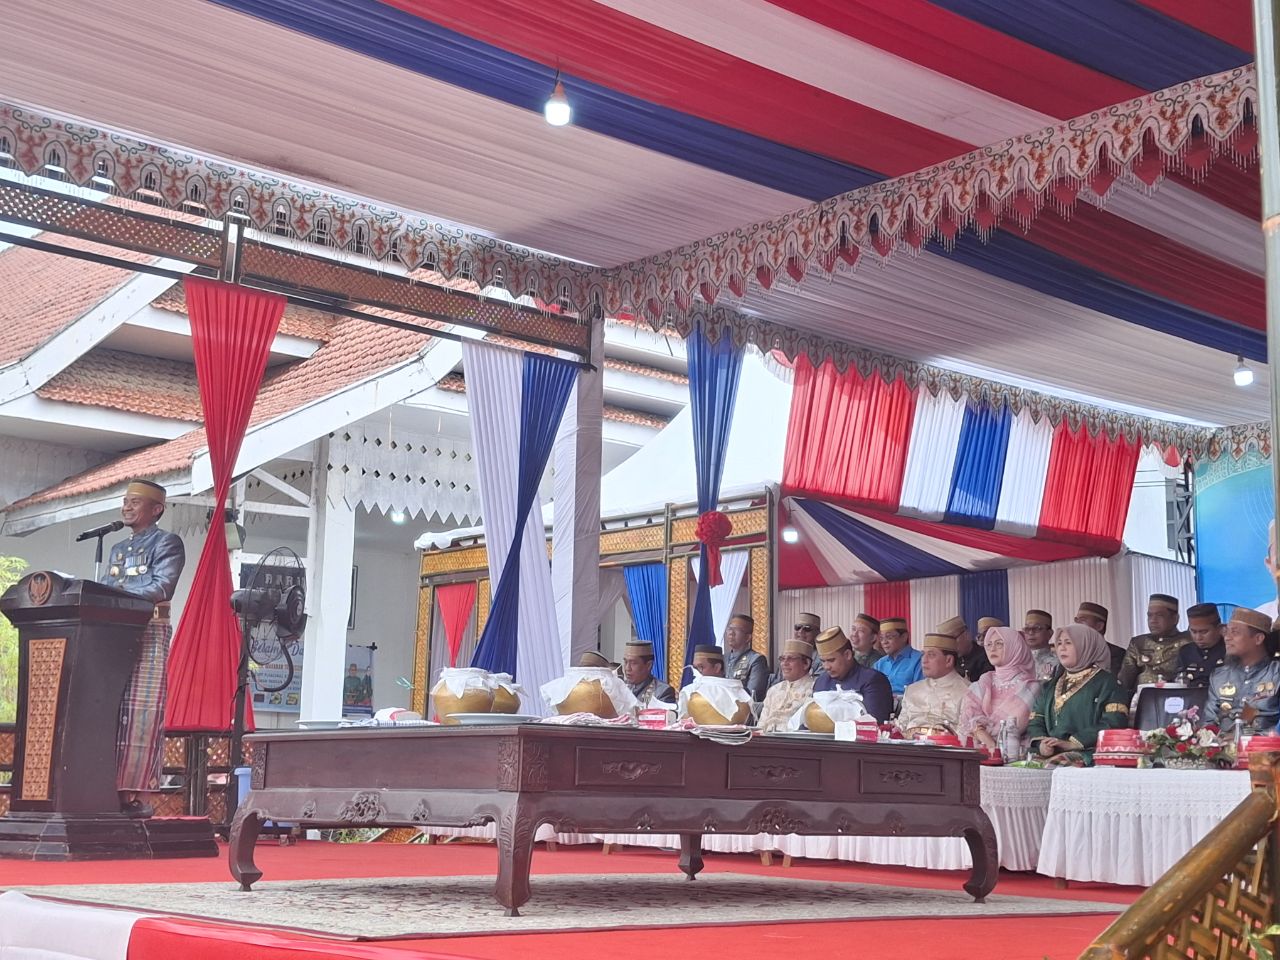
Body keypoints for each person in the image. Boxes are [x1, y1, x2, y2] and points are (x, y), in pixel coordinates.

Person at [98, 479, 186, 819]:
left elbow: (162, 586)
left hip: (149, 629)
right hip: (113, 631)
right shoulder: (117, 547)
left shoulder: (167, 542)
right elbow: (107, 585)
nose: (126, 507)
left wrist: (117, 595)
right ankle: (103, 788)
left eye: (134, 502)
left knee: (141, 711)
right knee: (109, 708)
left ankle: (134, 794)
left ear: (156, 509)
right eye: (125, 501)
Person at [1026, 623, 1129, 766]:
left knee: (1056, 764)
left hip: (1089, 752)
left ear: (1086, 646)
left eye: (1068, 643)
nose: (1062, 648)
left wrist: (1073, 743)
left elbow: (1115, 722)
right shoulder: (1050, 685)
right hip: (1052, 752)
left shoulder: (1108, 683)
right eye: (1059, 643)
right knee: (1026, 766)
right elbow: (1036, 720)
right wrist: (1042, 744)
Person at [957, 626, 1043, 755]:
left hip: (1015, 756)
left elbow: (1011, 727)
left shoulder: (1031, 688)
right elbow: (967, 718)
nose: (992, 649)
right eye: (989, 644)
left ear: (1015, 647)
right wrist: (987, 740)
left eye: (999, 644)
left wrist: (980, 733)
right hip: (976, 754)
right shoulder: (983, 682)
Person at [1205, 608, 1280, 732]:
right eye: (1226, 632)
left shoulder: (1276, 673)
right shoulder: (1219, 676)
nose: (1227, 638)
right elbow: (1208, 722)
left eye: (1234, 632)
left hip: (1265, 743)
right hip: (1223, 742)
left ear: (1258, 639)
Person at [895, 633, 971, 737]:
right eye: (923, 654)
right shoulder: (912, 690)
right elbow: (899, 729)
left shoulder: (968, 692)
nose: (924, 660)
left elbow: (967, 735)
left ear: (948, 660)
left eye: (931, 655)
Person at [813, 626, 893, 722]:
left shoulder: (873, 680)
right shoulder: (821, 682)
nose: (826, 667)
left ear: (848, 655)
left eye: (831, 660)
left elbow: (875, 722)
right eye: (823, 661)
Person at [1118, 593, 1190, 691]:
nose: (1153, 621)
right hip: (1142, 697)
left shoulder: (1188, 642)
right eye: (1150, 616)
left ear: (1175, 619)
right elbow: (1124, 682)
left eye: (1159, 615)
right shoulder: (1138, 643)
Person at [758, 638, 817, 732]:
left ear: (806, 663)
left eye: (791, 659)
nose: (784, 663)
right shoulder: (774, 690)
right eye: (782, 659)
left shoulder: (814, 689)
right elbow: (761, 726)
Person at [1176, 603, 1226, 687]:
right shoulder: (1186, 652)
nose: (1198, 637)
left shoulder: (1229, 650)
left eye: (1204, 632)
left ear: (1219, 629)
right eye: (1193, 632)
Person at [723, 614, 769, 702]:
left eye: (737, 630)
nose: (731, 633)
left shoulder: (756, 660)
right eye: (730, 628)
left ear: (748, 637)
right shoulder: (723, 658)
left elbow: (753, 694)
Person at [874, 617, 923, 696]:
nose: (884, 642)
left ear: (904, 637)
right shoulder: (880, 664)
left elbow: (921, 693)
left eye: (889, 637)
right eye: (881, 638)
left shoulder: (919, 660)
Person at [1074, 602, 1125, 675]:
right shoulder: (1072, 653)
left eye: (1082, 620)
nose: (1076, 625)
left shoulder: (1117, 654)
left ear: (1099, 626)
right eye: (1076, 620)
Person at [937, 615, 992, 682]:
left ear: (966, 634)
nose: (951, 645)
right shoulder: (950, 661)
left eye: (953, 639)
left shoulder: (986, 657)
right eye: (947, 642)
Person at [622, 639, 675, 704]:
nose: (627, 668)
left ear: (648, 665)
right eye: (625, 662)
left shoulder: (662, 692)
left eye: (633, 663)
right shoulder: (620, 687)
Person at [1023, 609, 1059, 681]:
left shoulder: (1057, 663)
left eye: (1037, 628)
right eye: (1027, 628)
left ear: (1050, 633)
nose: (1030, 632)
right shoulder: (1018, 661)